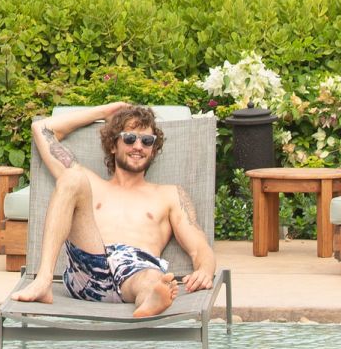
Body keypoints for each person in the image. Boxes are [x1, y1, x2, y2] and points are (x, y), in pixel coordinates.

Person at [12, 102, 217, 319]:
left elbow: (198, 246)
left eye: (147, 141)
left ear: (153, 149)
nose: (138, 146)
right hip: (88, 269)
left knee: (151, 278)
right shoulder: (90, 184)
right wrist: (103, 112)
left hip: (137, 269)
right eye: (129, 138)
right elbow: (42, 130)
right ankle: (43, 281)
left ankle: (150, 299)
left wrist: (204, 269)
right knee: (71, 177)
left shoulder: (170, 195)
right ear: (113, 145)